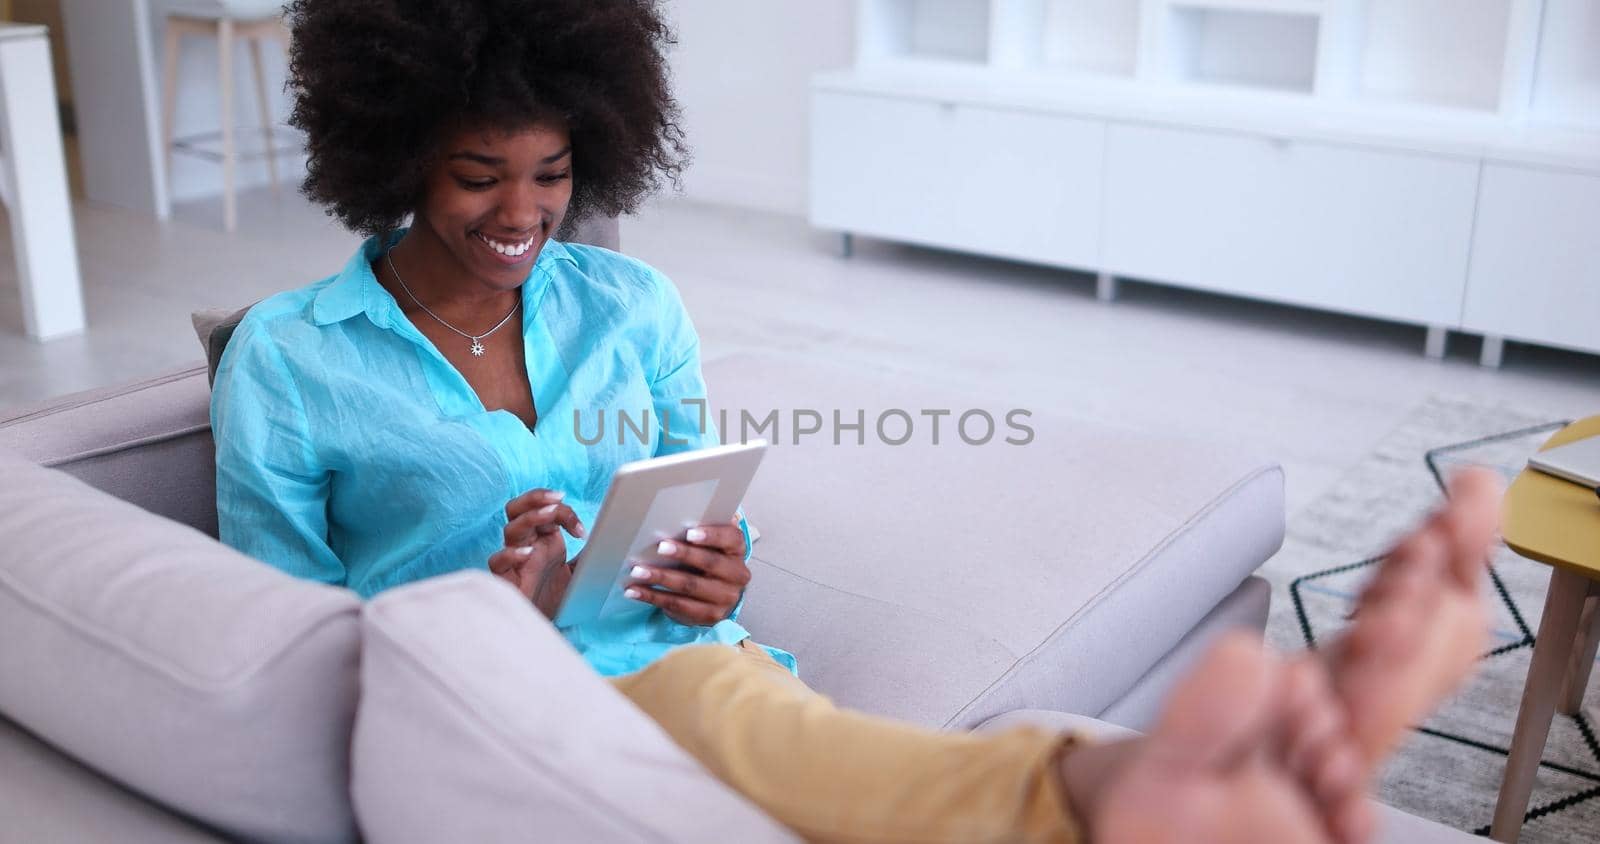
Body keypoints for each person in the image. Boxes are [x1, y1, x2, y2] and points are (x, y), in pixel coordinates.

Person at [211, 2, 1502, 840]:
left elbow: (700, 506)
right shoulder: (289, 359)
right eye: (479, 178)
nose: (523, 215)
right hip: (469, 695)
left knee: (772, 743)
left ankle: (1114, 791)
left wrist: (721, 571)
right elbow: (273, 637)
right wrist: (496, 608)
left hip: (666, 659)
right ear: (391, 158)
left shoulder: (632, 306)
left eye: (552, 176)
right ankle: (1115, 793)